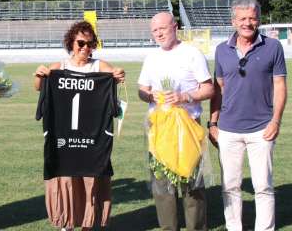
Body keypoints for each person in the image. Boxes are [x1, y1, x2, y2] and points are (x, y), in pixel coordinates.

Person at [34, 21, 125, 231]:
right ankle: (67, 225)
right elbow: (39, 88)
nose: (85, 48)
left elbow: (116, 75)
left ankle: (87, 224)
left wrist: (118, 74)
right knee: (66, 180)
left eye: (90, 43)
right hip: (63, 139)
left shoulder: (99, 66)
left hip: (93, 141)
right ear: (71, 42)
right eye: (81, 43)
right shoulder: (58, 68)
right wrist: (40, 75)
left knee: (89, 181)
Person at [209, 0, 287, 231]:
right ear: (234, 21)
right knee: (230, 186)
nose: (248, 23)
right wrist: (212, 123)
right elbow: (218, 89)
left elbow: (280, 86)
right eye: (242, 18)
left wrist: (276, 120)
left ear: (259, 20)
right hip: (228, 130)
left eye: (252, 18)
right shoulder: (222, 50)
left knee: (263, 186)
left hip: (262, 128)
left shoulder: (274, 47)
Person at [137, 12, 214, 231]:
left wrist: (185, 97)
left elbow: (208, 88)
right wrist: (150, 96)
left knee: (192, 184)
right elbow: (142, 90)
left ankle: (196, 228)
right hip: (159, 129)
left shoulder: (192, 53)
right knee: (162, 186)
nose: (159, 33)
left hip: (188, 127)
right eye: (154, 30)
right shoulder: (151, 58)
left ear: (175, 26)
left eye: (163, 28)